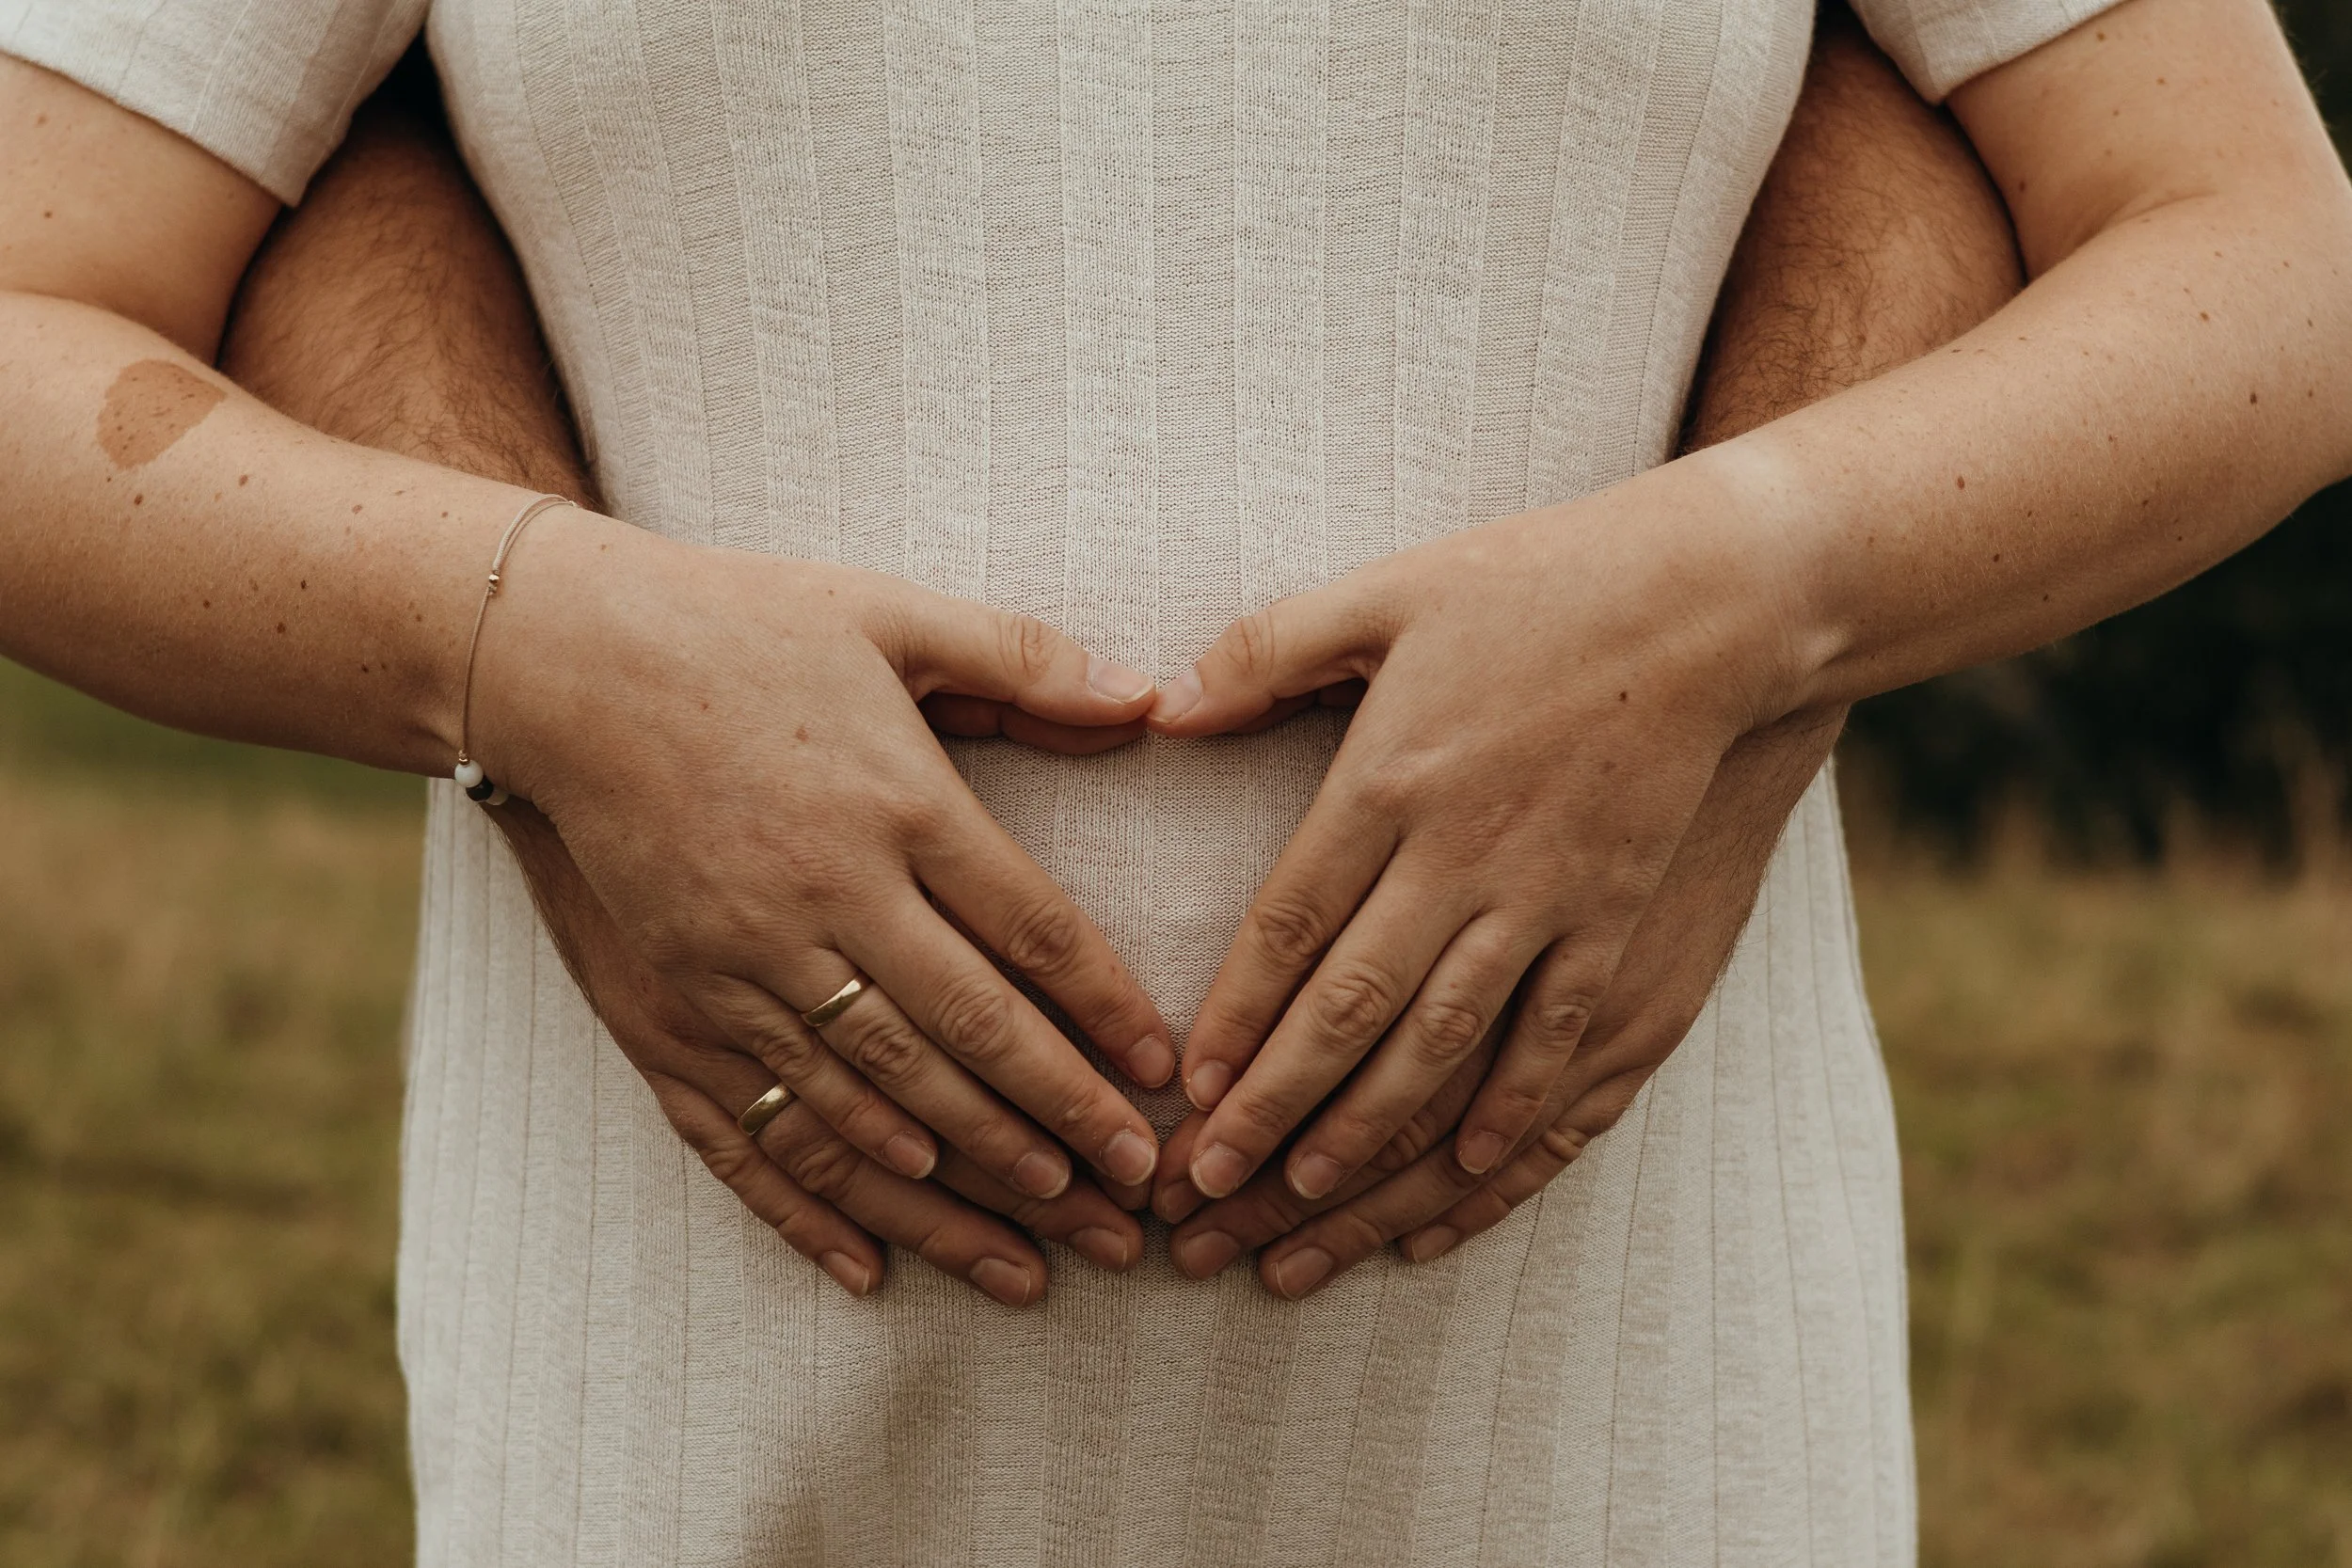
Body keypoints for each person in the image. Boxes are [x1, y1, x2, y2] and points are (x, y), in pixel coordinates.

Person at [2, 0, 2345, 1561]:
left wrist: (1743, 602)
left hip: (1637, 1450)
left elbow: (2253, 245)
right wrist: (524, 650)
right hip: (688, 1460)